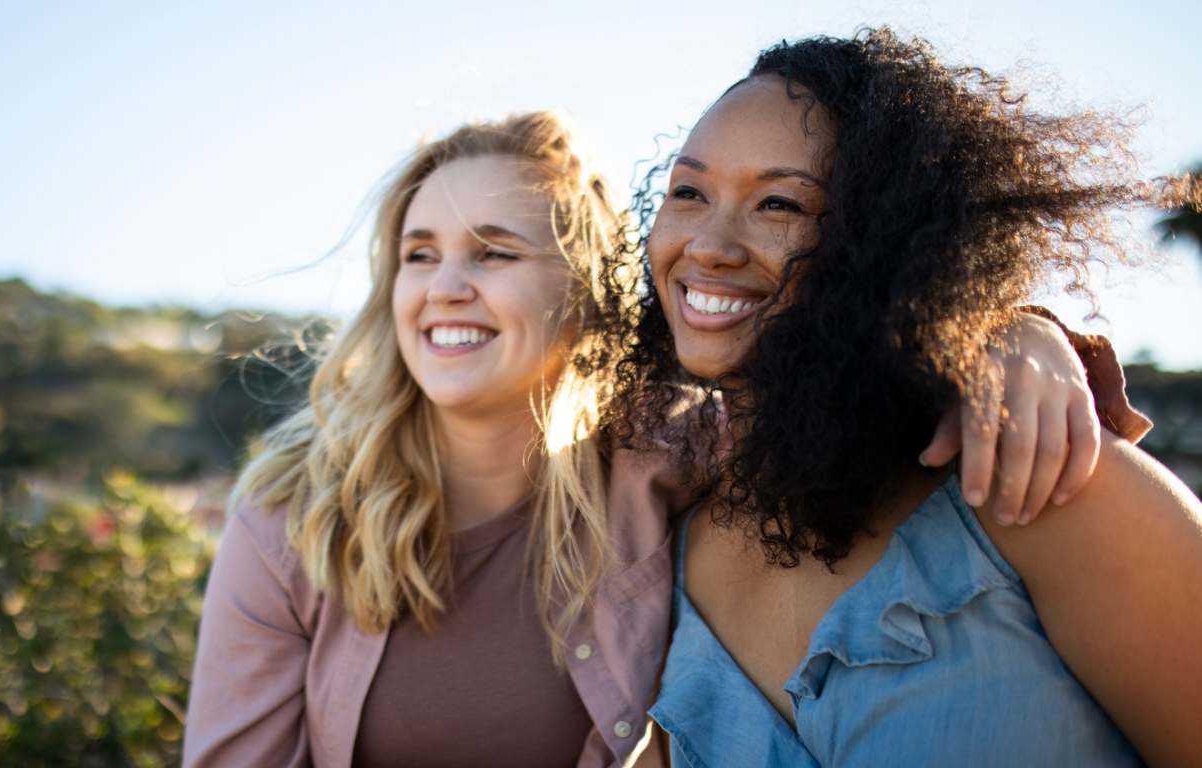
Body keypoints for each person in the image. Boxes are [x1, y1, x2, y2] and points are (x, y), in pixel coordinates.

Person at [182, 111, 1138, 767]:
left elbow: (856, 388)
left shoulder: (677, 461)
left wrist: (1013, 331)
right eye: (419, 254)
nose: (445, 286)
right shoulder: (295, 520)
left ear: (585, 288)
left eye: (494, 252)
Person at [627, 29, 1202, 766]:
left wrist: (1010, 328)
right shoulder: (662, 549)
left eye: (778, 204)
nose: (708, 244)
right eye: (688, 191)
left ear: (889, 236)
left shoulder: (1043, 479)